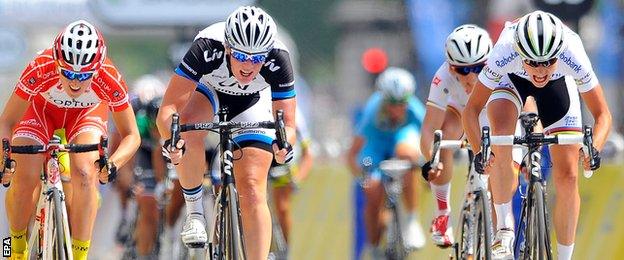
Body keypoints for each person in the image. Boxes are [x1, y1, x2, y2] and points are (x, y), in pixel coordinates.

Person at [462, 11, 611, 259]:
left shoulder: (571, 51)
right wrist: (480, 152)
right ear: (520, 52)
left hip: (558, 86)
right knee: (500, 134)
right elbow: (471, 111)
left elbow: (603, 115)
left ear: (559, 54)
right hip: (511, 82)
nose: (540, 71)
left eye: (548, 62)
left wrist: (593, 147)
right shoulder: (505, 51)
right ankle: (504, 229)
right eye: (532, 62)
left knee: (568, 175)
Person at [155, 6, 297, 259]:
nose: (248, 66)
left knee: (252, 188)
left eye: (256, 59)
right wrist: (172, 141)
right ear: (228, 48)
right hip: (208, 92)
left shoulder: (278, 56)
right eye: (241, 56)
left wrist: (284, 145)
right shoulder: (207, 46)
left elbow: (287, 123)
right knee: (186, 127)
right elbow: (169, 109)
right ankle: (196, 213)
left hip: (252, 101)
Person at [0, 20, 140, 259]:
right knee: (26, 173)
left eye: (84, 74)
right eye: (67, 72)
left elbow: (132, 135)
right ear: (56, 62)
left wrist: (113, 164)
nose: (75, 81)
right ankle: (16, 249)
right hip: (41, 112)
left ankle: (79, 254)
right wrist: (4, 159)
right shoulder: (40, 67)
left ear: (97, 69)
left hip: (84, 116)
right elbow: (6, 122)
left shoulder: (110, 76)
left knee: (86, 172)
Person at [419, 24, 493, 248]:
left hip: (491, 112)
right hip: (459, 109)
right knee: (444, 135)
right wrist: (432, 159)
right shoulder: (442, 78)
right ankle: (442, 212)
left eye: (479, 68)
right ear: (451, 69)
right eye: (463, 70)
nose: (471, 76)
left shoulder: (500, 67)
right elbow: (429, 127)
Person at [346, 67, 426, 257]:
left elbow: (429, 140)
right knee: (373, 191)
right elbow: (354, 151)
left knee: (407, 155)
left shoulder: (415, 109)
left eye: (402, 103)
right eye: (392, 103)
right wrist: (361, 176)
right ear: (383, 99)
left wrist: (428, 169)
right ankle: (373, 246)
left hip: (401, 140)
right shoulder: (372, 111)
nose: (397, 108)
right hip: (375, 147)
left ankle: (412, 221)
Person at [110, 75, 167, 258]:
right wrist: (125, 179)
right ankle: (126, 215)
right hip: (138, 152)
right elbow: (121, 149)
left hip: (159, 152)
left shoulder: (167, 116)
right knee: (126, 180)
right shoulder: (135, 115)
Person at [268, 106, 314, 245]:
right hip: (257, 151)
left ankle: (287, 250)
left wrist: (297, 179)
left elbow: (308, 153)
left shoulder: (291, 108)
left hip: (280, 159)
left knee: (282, 208)